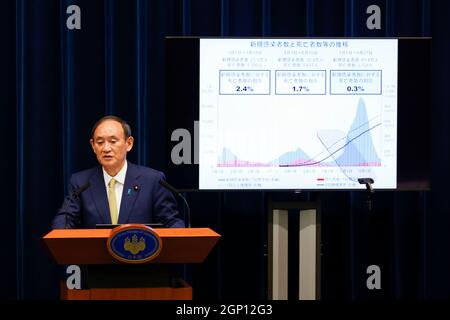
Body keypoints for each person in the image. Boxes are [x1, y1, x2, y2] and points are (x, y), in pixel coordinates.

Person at [52, 115, 185, 229]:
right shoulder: (81, 183)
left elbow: (170, 221)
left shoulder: (152, 180)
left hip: (140, 257)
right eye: (100, 142)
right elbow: (66, 218)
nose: (106, 148)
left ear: (129, 143)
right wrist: (59, 230)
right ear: (93, 146)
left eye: (113, 141)